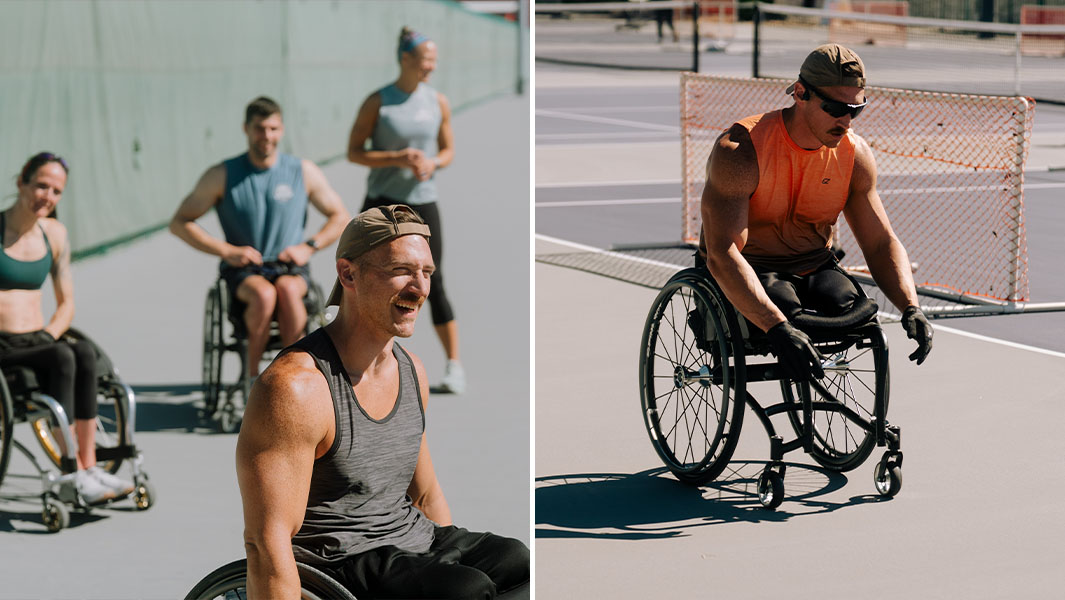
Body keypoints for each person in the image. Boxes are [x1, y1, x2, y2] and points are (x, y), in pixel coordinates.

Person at [236, 205, 529, 599]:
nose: (420, 288)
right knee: (466, 591)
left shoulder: (412, 371)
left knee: (517, 561)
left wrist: (448, 563)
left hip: (412, 540)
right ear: (348, 273)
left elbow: (425, 496)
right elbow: (265, 542)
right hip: (339, 561)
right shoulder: (297, 388)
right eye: (401, 270)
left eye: (426, 273)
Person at [699, 44, 934, 380]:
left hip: (814, 264)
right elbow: (723, 254)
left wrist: (911, 308)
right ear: (800, 93)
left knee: (859, 314)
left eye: (856, 109)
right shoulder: (741, 151)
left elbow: (881, 243)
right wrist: (776, 327)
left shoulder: (855, 155)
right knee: (785, 311)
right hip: (753, 265)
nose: (846, 120)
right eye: (836, 107)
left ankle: (877, 430)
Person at [171, 96, 349, 382]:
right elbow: (179, 222)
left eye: (273, 129)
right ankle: (253, 379)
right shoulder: (222, 175)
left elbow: (339, 216)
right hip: (244, 271)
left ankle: (292, 377)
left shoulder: (301, 172)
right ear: (246, 129)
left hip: (289, 268)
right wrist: (226, 250)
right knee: (265, 295)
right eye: (259, 128)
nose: (266, 136)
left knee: (289, 292)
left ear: (282, 130)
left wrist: (309, 246)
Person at [0, 152, 134, 504]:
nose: (47, 196)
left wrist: (48, 333)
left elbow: (66, 304)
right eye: (41, 185)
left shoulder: (54, 234)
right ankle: (71, 468)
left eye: (56, 191)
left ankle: (88, 467)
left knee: (83, 352)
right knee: (63, 356)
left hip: (38, 340)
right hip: (3, 346)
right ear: (21, 183)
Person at [347, 27, 466, 394]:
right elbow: (355, 152)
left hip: (422, 203)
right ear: (405, 59)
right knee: (360, 279)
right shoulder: (378, 102)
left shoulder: (438, 101)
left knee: (434, 280)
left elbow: (448, 150)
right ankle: (351, 357)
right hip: (381, 206)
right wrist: (396, 158)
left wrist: (433, 163)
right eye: (425, 59)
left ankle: (453, 365)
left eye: (434, 60)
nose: (431, 66)